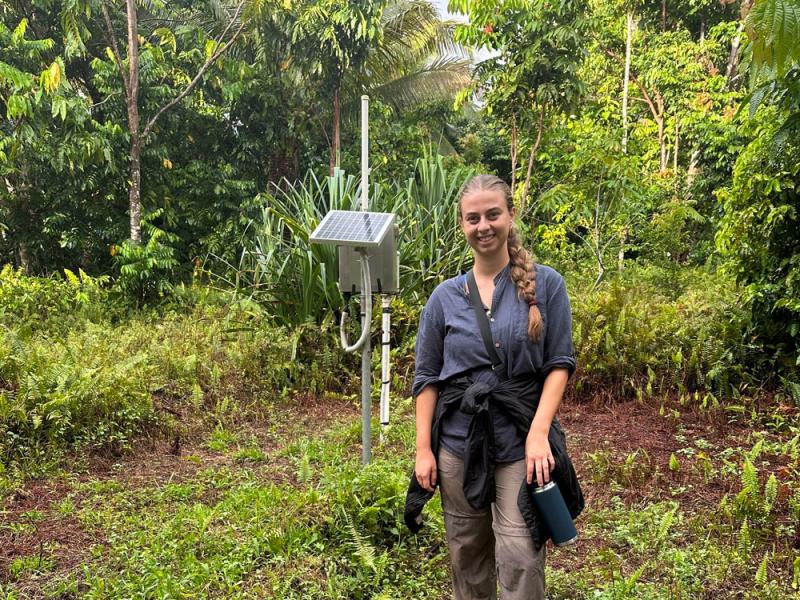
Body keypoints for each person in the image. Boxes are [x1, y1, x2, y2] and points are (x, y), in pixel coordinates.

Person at [408, 174, 581, 599]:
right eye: (473, 218)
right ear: (461, 225)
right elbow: (427, 379)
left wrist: (540, 433)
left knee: (521, 554)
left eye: (492, 214)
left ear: (510, 215)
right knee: (467, 553)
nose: (483, 226)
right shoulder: (444, 298)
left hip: (521, 441)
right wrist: (423, 450)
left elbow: (559, 364)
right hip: (457, 444)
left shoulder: (546, 285)